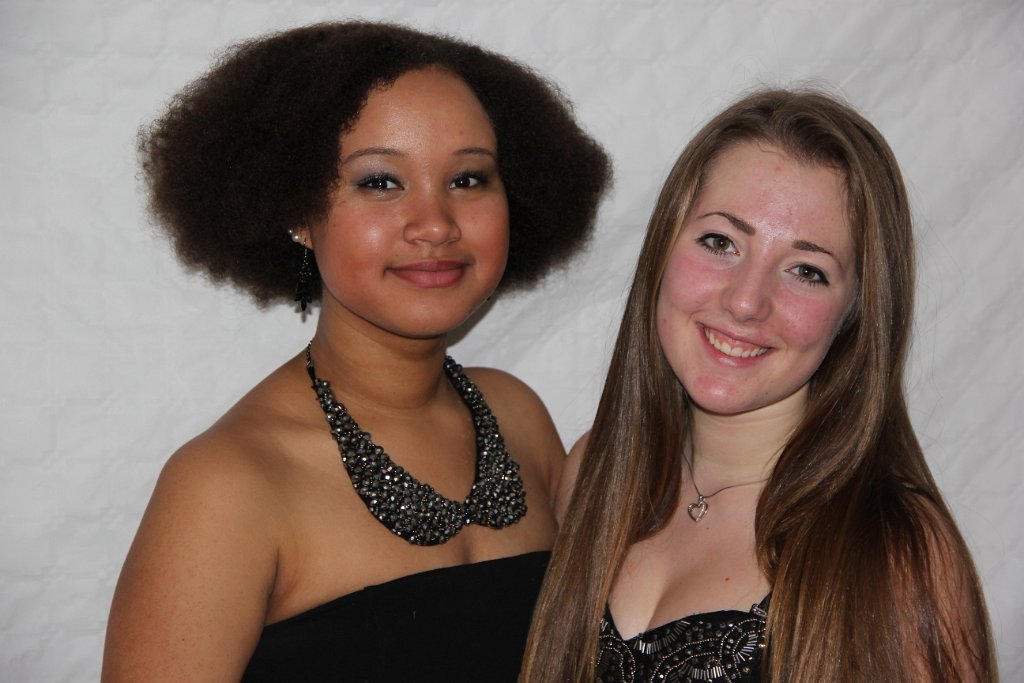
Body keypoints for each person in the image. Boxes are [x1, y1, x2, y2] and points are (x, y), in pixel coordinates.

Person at [102, 22, 610, 682]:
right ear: (296, 210)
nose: (436, 224)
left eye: (467, 178)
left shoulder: (519, 418)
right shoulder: (226, 486)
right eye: (379, 182)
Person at [520, 88, 996, 682]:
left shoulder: (894, 548)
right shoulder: (593, 473)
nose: (746, 301)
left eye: (806, 271)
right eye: (720, 242)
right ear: (663, 248)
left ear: (855, 312)